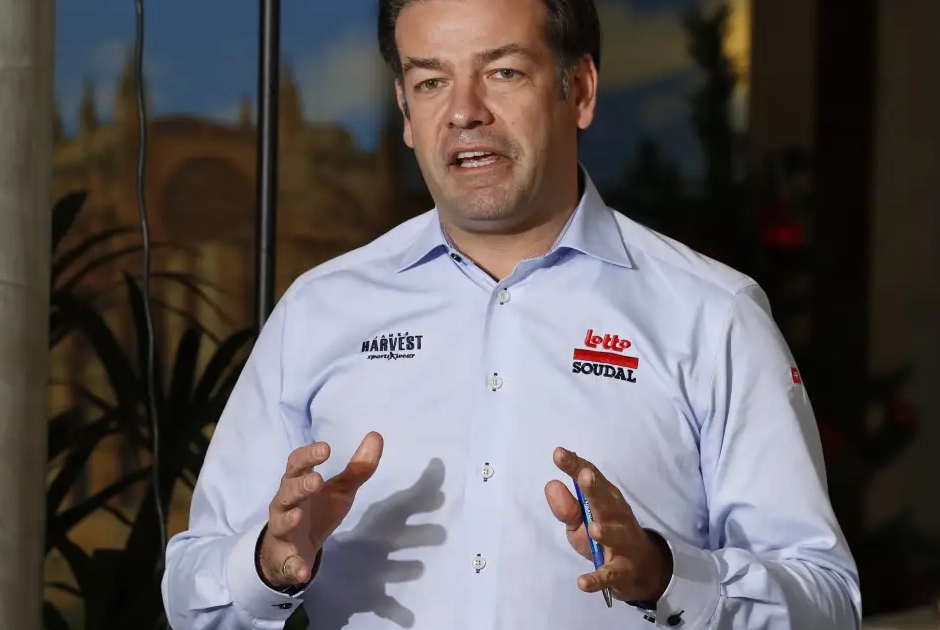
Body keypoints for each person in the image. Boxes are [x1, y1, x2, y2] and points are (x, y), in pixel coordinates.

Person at [161, 0, 862, 627]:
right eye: (430, 81)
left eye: (502, 72)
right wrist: (268, 563)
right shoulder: (319, 310)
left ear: (579, 90)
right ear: (405, 113)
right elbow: (193, 594)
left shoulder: (712, 315)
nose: (464, 111)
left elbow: (827, 601)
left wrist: (668, 575)